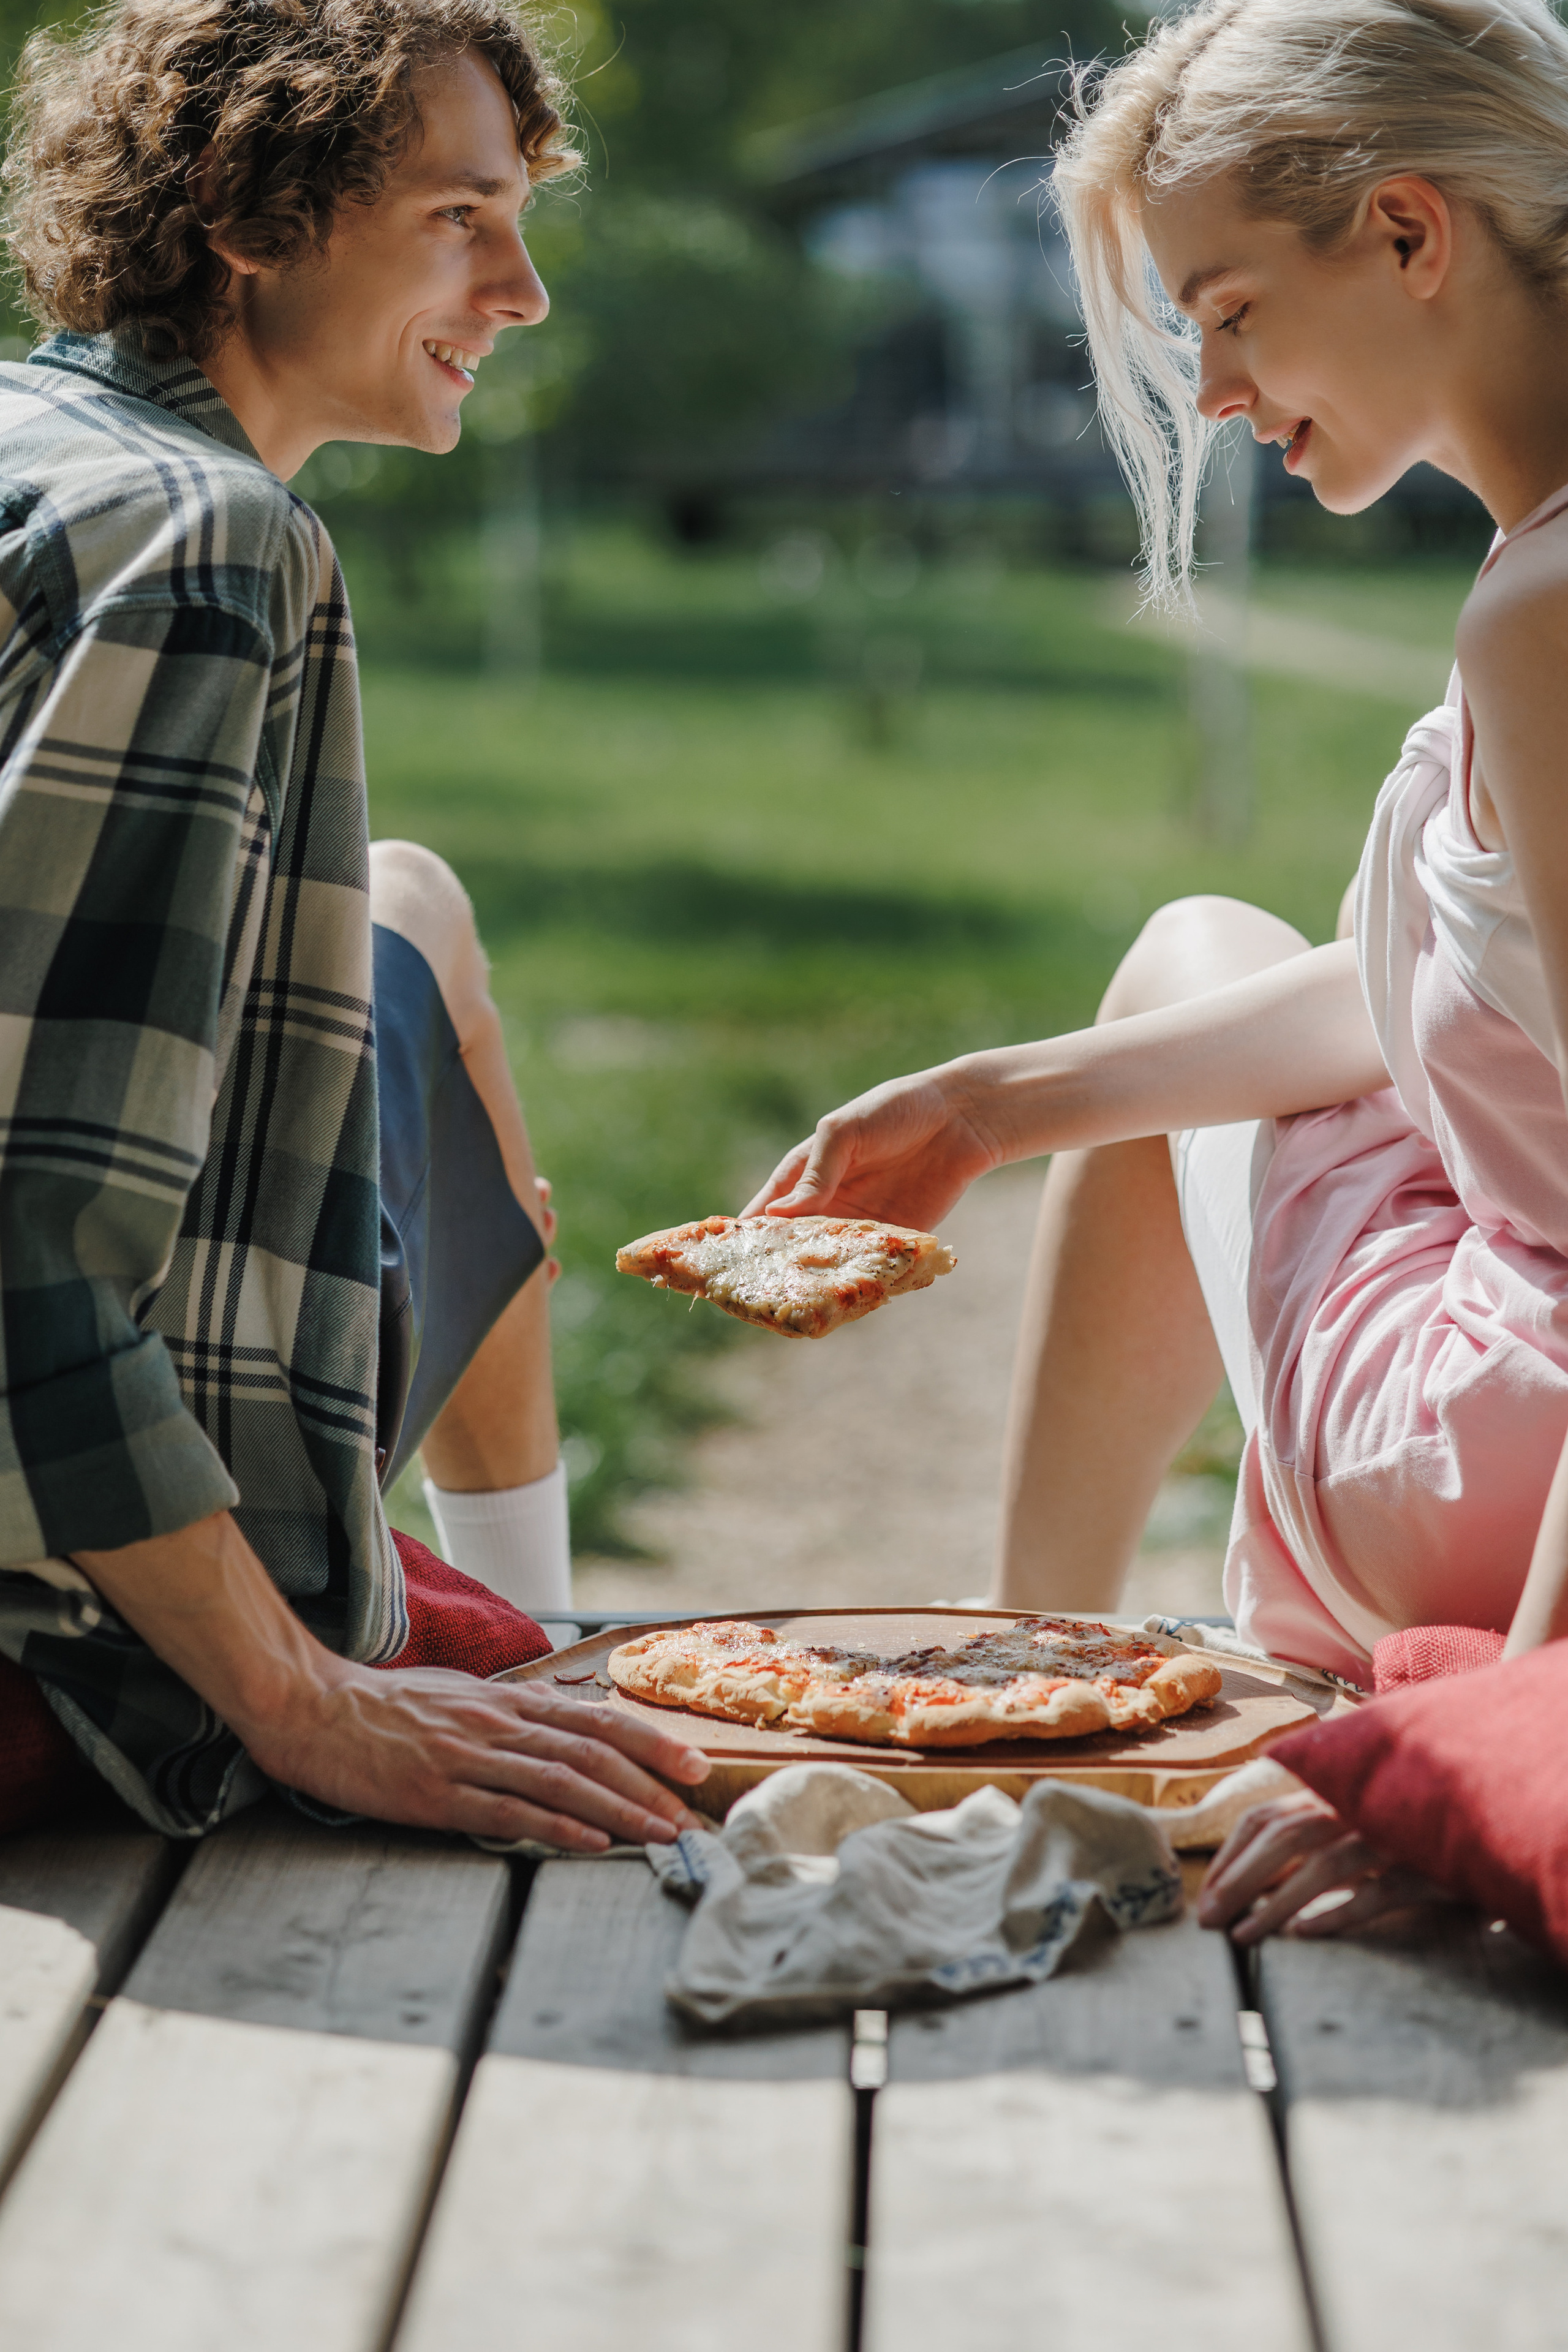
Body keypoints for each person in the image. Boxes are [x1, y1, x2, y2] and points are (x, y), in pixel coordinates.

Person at [745, 0, 1568, 1936]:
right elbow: (1436, 983)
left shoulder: (1544, 613)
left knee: (1190, 952)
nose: (1207, 389)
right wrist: (991, 1103)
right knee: (1201, 981)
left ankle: (1016, 1676)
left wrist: (1494, 1746)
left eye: (1229, 308)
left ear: (1406, 231)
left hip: (1505, 1473)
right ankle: (1028, 1663)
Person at [0, 0, 707, 1848]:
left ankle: (528, 1611)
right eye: (462, 219)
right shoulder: (204, 542)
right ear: (249, 207)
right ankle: (499, 1636)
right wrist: (310, 1703)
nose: (525, 291)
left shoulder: (38, 437)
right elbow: (22, 1233)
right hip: (55, 1646)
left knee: (413, 906)